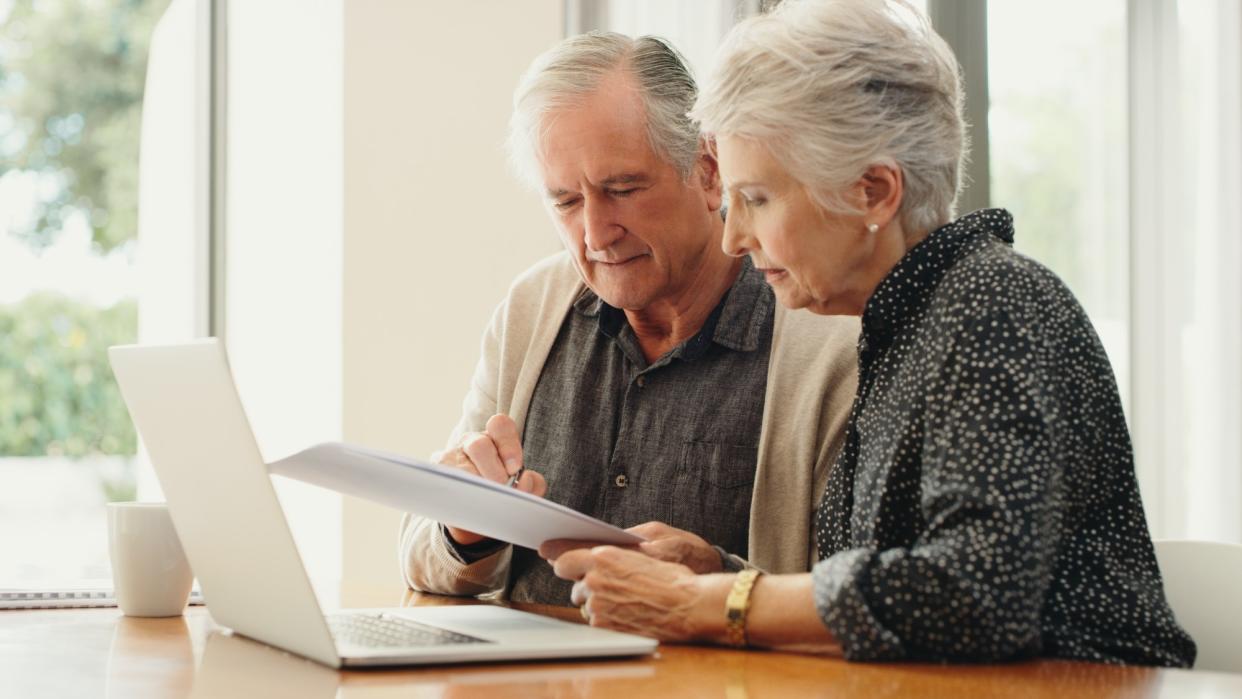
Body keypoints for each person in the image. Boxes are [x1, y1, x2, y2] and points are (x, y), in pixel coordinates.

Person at [544, 0, 1196, 667]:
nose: (734, 237)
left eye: (758, 199)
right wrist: (718, 574)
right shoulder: (907, 325)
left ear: (874, 192)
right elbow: (879, 594)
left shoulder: (994, 304)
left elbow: (975, 593)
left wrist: (703, 602)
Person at [398, 31, 860, 605]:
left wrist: (719, 580)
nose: (595, 234)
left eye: (621, 189)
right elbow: (419, 552)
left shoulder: (825, 343)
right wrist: (464, 530)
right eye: (565, 201)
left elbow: (855, 597)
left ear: (709, 169)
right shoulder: (533, 308)